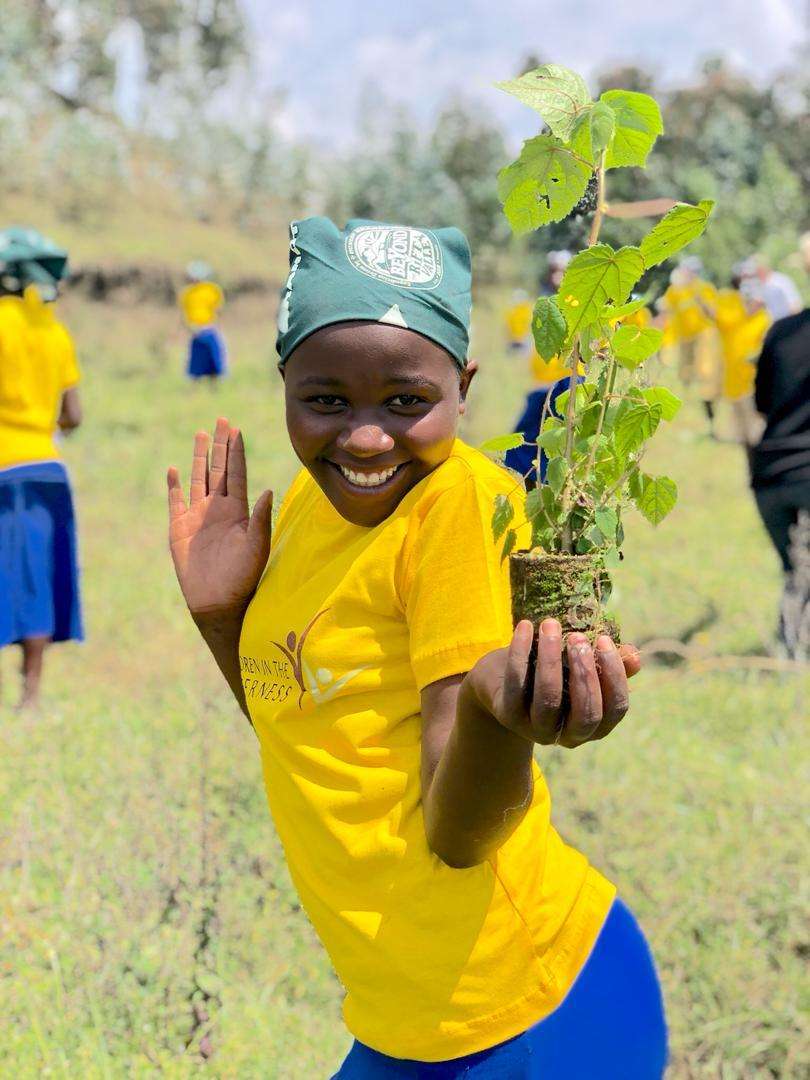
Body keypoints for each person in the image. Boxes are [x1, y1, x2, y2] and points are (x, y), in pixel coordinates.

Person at [167, 218, 667, 1077]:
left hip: (524, 1011)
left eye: (406, 401)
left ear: (463, 386)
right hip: (406, 1019)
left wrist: (489, 708)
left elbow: (460, 831)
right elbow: (315, 733)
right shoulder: (303, 513)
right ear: (284, 382)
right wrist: (222, 616)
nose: (365, 438)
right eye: (326, 400)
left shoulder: (453, 510)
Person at [0, 227, 83, 709]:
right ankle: (29, 698)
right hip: (45, 469)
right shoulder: (54, 330)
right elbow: (72, 415)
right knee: (33, 577)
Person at [750, 241, 810, 657]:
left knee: (797, 570)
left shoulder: (781, 331)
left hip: (769, 473)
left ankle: (789, 649)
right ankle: (792, 654)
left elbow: (761, 403)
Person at [705, 265, 770, 446]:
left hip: (753, 382)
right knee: (740, 427)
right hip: (733, 377)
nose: (752, 303)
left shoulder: (764, 320)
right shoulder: (734, 316)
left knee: (756, 428)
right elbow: (716, 316)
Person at [658, 258, 721, 435]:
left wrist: (700, 299)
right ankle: (686, 409)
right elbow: (666, 311)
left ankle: (707, 405)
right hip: (683, 337)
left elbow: (713, 314)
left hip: (703, 334)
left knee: (704, 371)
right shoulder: (675, 290)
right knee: (684, 373)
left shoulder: (704, 289)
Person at [179, 261, 227, 383]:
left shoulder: (212, 290)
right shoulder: (187, 293)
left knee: (213, 360)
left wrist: (214, 325)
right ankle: (195, 388)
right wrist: (190, 327)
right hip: (194, 330)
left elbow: (219, 310)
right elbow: (184, 313)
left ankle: (214, 385)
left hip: (209, 329)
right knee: (196, 362)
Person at [750, 254, 802, 322]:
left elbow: (795, 305)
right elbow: (753, 309)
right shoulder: (760, 285)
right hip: (775, 326)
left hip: (787, 323)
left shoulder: (781, 281)